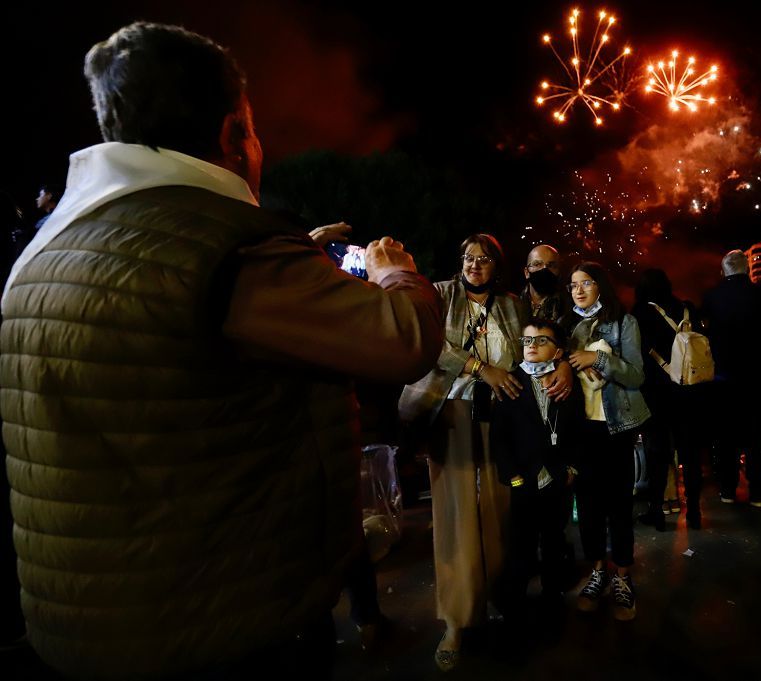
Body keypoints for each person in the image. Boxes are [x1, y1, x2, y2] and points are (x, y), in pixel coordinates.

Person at [0, 22, 444, 680]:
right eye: (254, 128)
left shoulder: (48, 245)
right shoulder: (226, 246)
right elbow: (405, 338)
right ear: (235, 131)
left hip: (84, 622)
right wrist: (393, 271)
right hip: (227, 626)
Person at [398, 235, 572, 671]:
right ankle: (456, 619)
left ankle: (503, 598)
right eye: (469, 258)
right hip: (452, 409)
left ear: (497, 265)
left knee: (501, 507)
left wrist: (565, 362)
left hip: (503, 414)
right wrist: (481, 369)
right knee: (456, 512)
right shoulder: (440, 294)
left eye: (485, 259)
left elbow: (543, 340)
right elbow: (430, 343)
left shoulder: (514, 305)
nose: (476, 265)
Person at [566, 261, 650, 621]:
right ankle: (598, 570)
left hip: (616, 426)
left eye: (586, 283)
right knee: (587, 506)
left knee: (618, 504)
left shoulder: (624, 323)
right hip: (582, 430)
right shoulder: (569, 328)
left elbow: (636, 376)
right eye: (573, 285)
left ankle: (623, 576)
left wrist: (597, 357)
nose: (579, 290)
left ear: (601, 286)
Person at [490, 318, 584, 618]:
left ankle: (552, 592)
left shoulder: (567, 383)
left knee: (555, 536)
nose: (532, 346)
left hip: (557, 477)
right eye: (528, 340)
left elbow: (576, 427)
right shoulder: (511, 382)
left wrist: (572, 467)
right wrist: (513, 477)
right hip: (524, 479)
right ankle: (514, 598)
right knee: (521, 541)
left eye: (542, 340)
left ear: (558, 352)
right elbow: (499, 437)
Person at [701, 250, 761, 506]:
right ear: (747, 270)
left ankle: (727, 488)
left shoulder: (711, 297)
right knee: (755, 433)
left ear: (723, 270)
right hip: (757, 376)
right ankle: (757, 490)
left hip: (723, 377)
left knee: (725, 433)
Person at [632, 268, 708, 530]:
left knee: (657, 455)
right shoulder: (687, 308)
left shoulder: (639, 314)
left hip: (656, 395)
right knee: (690, 452)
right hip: (689, 391)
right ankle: (695, 512)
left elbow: (637, 356)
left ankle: (657, 513)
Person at [520, 243, 564, 319]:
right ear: (527, 272)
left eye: (551, 265)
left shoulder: (568, 307)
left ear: (559, 271)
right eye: (537, 264)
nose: (544, 269)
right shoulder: (513, 304)